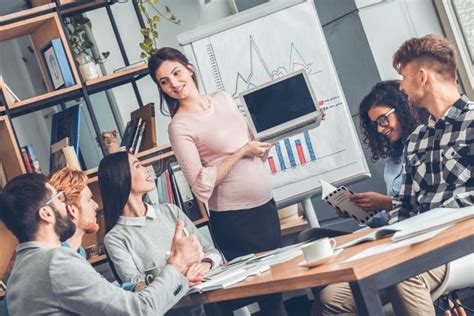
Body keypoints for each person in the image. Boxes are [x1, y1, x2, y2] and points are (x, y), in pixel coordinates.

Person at [314, 34, 473, 316]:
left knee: (402, 272)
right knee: (333, 297)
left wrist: (428, 226)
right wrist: (385, 240)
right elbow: (404, 208)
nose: (401, 85)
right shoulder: (417, 140)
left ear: (421, 77)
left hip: (461, 244)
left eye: (404, 76)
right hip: (416, 245)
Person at [149, 47, 286, 315]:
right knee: (265, 296)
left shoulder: (224, 99)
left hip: (266, 207)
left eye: (176, 73)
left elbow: (254, 144)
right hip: (236, 219)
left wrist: (292, 123)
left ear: (190, 68)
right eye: (164, 82)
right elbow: (200, 185)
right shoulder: (179, 126)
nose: (174, 84)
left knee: (277, 291)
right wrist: (241, 153)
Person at [0, 173, 203, 315]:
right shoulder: (55, 262)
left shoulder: (20, 270)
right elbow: (140, 311)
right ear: (45, 213)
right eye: (59, 199)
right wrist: (176, 265)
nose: (65, 205)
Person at [99, 152, 222, 298]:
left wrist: (204, 265)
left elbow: (212, 252)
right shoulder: (115, 238)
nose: (147, 169)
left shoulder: (170, 211)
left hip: (207, 291)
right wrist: (180, 275)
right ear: (120, 177)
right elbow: (137, 285)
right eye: (138, 165)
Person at [348, 80, 427, 227]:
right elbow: (392, 216)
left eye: (382, 120)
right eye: (375, 124)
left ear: (403, 109)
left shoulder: (428, 144)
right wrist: (361, 210)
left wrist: (386, 202)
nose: (379, 129)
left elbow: (432, 203)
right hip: (400, 232)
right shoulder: (393, 161)